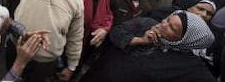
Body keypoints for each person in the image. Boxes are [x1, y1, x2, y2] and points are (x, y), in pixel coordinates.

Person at [82, 10, 216, 82]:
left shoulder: (188, 66)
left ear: (185, 41)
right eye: (168, 19)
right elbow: (116, 32)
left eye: (172, 28)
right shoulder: (145, 24)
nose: (163, 24)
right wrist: (139, 40)